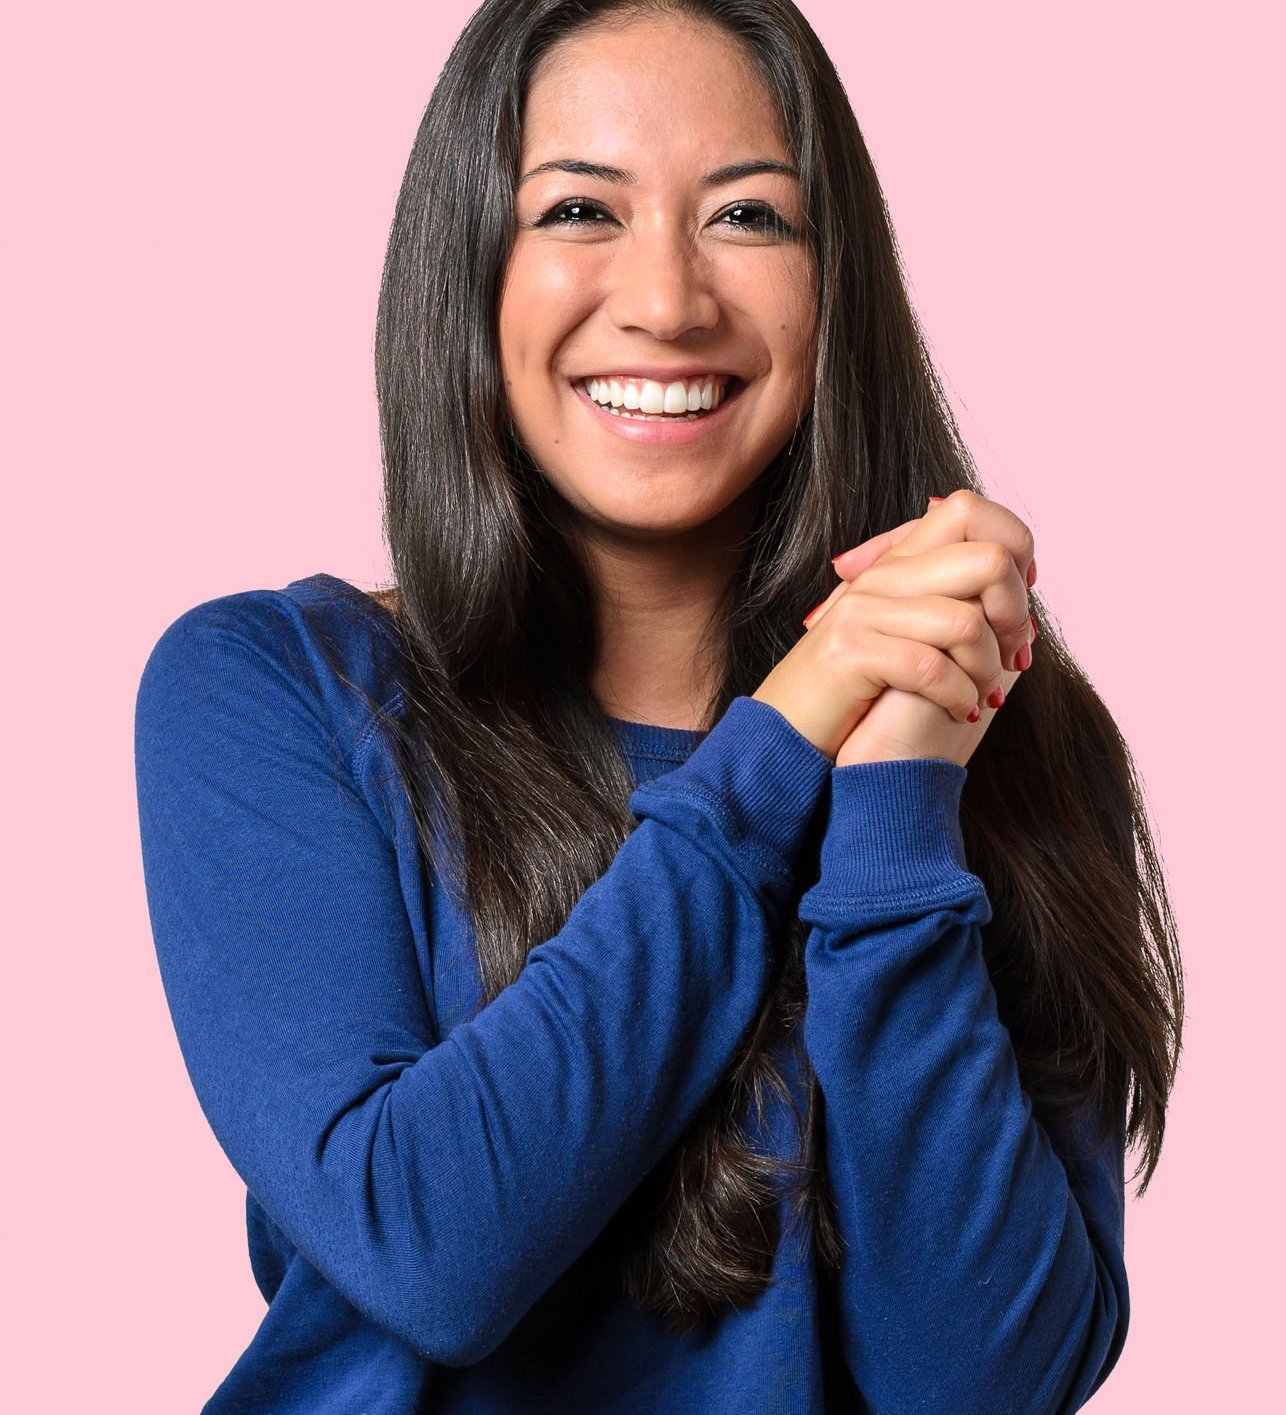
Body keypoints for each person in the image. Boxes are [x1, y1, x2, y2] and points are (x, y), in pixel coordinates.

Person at [132, 1, 1183, 1410]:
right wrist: (793, 726)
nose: (671, 300)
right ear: (470, 269)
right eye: (579, 209)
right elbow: (432, 1245)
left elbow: (983, 1387)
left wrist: (896, 796)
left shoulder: (1008, 746)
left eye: (748, 218)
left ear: (835, 286)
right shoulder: (280, 693)